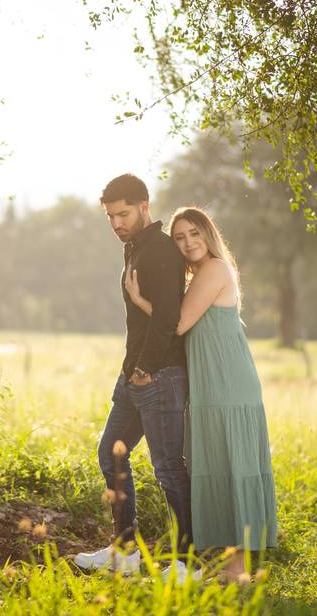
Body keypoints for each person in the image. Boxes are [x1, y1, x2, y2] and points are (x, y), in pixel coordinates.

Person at [125, 206, 277, 581]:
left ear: (209, 235)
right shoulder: (199, 277)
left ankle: (237, 569)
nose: (188, 242)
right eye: (179, 237)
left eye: (195, 233)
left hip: (228, 382)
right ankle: (229, 566)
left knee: (232, 466)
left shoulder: (214, 270)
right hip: (211, 383)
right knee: (218, 466)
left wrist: (139, 298)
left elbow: (176, 324)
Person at [74, 174, 194, 580]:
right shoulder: (135, 248)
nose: (116, 224)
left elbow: (167, 318)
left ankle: (186, 562)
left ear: (145, 205)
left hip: (159, 376)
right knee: (111, 453)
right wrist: (132, 372)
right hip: (135, 376)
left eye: (123, 214)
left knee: (168, 469)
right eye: (110, 216)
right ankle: (124, 551)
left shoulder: (160, 250)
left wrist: (144, 370)